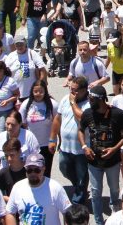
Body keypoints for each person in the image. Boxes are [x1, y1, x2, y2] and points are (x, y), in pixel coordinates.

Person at [77, 85, 123, 225]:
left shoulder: (118, 114)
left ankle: (116, 219)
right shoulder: (87, 113)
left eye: (91, 99)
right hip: (93, 162)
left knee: (114, 191)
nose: (89, 101)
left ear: (101, 99)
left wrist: (114, 149)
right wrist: (84, 147)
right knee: (95, 193)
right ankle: (99, 222)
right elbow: (80, 130)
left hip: (112, 161)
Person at [49, 76, 90, 205]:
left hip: (81, 149)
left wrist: (73, 102)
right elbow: (57, 119)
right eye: (71, 89)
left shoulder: (90, 103)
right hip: (65, 147)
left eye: (75, 90)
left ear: (84, 90)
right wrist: (52, 139)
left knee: (82, 175)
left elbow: (81, 117)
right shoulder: (65, 99)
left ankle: (78, 201)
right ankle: (78, 187)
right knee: (64, 168)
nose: (72, 92)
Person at [4, 153, 72, 225]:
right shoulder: (18, 187)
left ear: (43, 169)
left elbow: (67, 213)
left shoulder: (55, 188)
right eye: (29, 170)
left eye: (37, 170)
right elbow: (10, 212)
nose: (33, 173)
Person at [20, 79, 59, 175]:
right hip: (30, 145)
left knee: (45, 171)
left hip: (47, 144)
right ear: (32, 92)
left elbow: (58, 123)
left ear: (45, 91)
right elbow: (22, 124)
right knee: (31, 171)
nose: (38, 94)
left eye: (41, 91)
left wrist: (57, 140)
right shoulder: (26, 104)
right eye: (35, 91)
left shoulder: (53, 104)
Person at [5, 34, 47, 101]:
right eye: (17, 44)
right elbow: (5, 72)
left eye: (21, 44)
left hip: (31, 93)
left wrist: (40, 85)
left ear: (25, 43)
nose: (19, 46)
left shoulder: (32, 53)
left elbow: (42, 70)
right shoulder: (11, 56)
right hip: (15, 94)